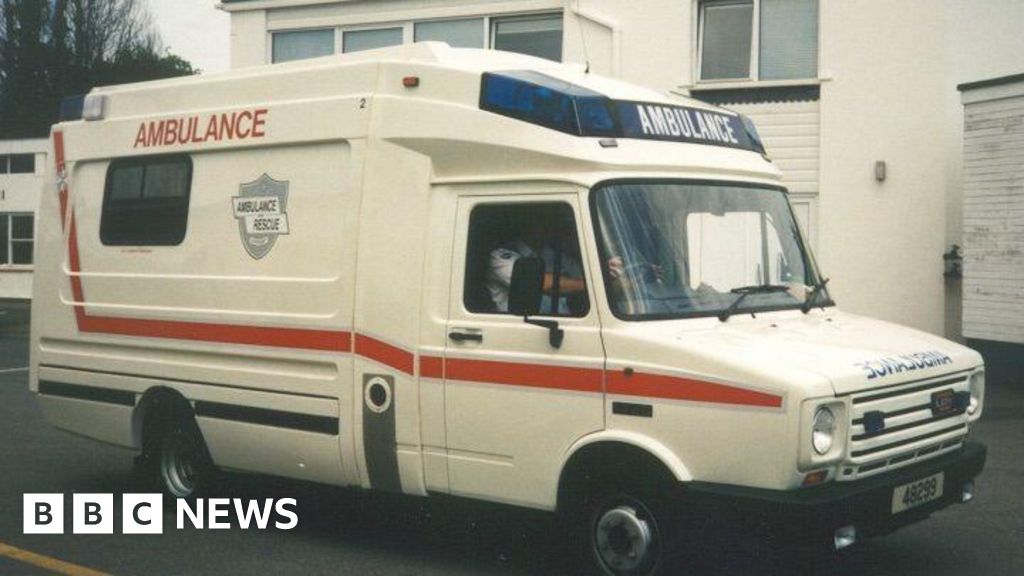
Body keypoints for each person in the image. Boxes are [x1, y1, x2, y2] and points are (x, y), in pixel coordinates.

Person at [487, 211, 586, 314]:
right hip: (520, 326)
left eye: (550, 222)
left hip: (565, 321)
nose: (547, 227)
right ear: (525, 223)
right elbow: (540, 283)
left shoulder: (555, 255)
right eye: (541, 220)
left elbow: (579, 277)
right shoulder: (499, 257)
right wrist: (586, 286)